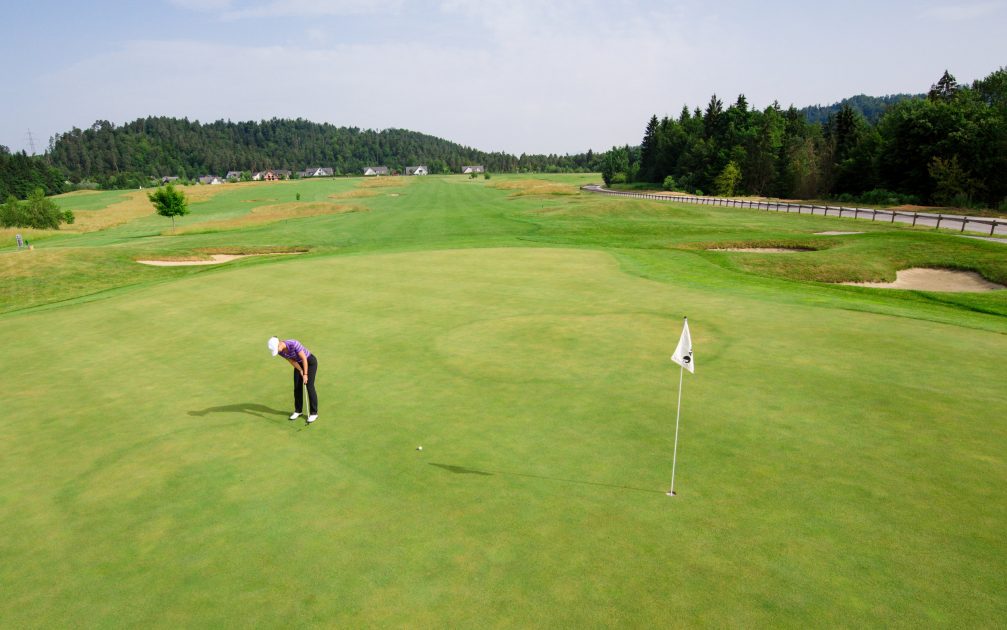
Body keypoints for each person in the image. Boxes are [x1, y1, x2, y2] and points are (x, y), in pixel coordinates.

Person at [268, 336, 318, 423]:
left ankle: (314, 413)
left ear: (279, 344)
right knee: (297, 387)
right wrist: (300, 370)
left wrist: (305, 374)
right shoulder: (280, 352)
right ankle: (298, 411)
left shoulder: (293, 344)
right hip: (298, 364)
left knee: (309, 386)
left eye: (277, 349)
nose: (278, 351)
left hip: (309, 362)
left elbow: (304, 359)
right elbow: (292, 361)